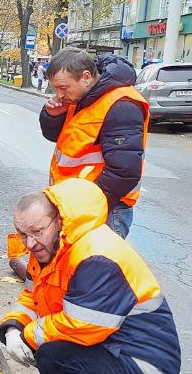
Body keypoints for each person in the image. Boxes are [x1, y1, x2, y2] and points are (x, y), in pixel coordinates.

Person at [0, 179, 181, 374]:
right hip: (119, 347)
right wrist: (12, 328)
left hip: (148, 363)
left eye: (37, 231)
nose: (30, 243)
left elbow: (84, 327)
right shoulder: (50, 251)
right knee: (45, 346)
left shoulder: (95, 255)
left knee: (53, 356)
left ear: (59, 220)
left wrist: (29, 334)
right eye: (22, 234)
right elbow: (32, 301)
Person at [40, 47, 147, 238]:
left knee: (98, 263)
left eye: (63, 88)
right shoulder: (83, 97)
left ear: (86, 77)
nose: (59, 95)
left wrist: (89, 204)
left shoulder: (121, 105)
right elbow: (63, 138)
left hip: (104, 208)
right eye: (56, 88)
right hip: (75, 203)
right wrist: (52, 116)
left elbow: (124, 171)